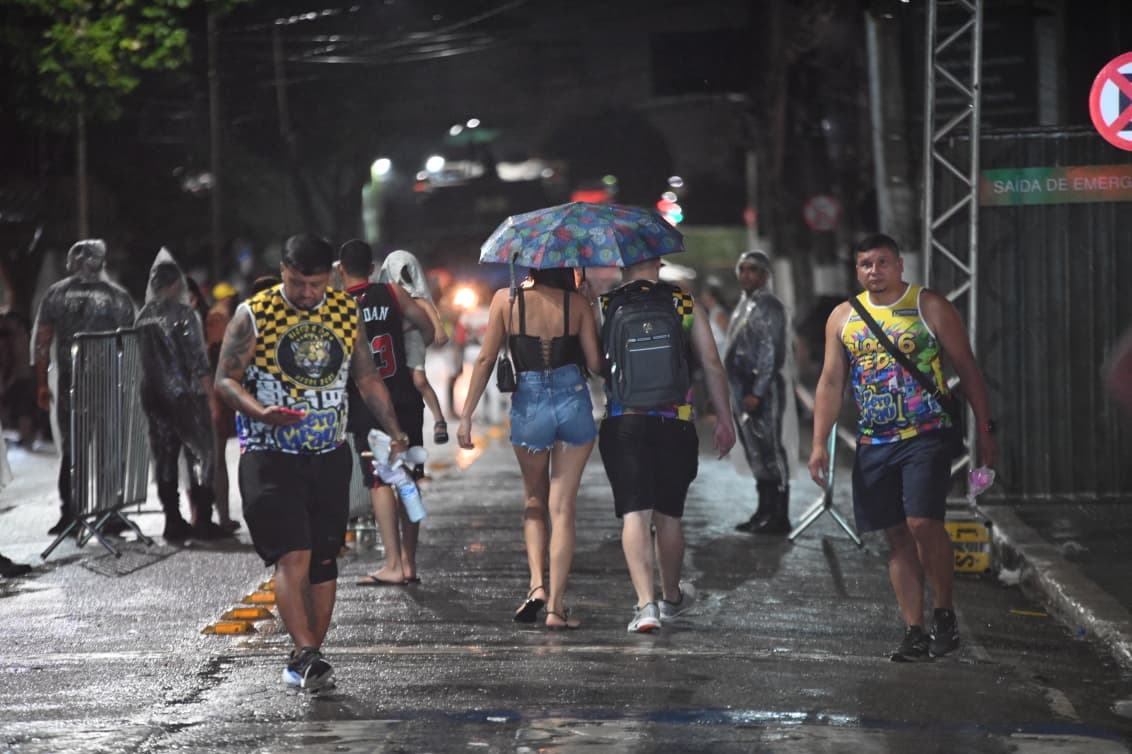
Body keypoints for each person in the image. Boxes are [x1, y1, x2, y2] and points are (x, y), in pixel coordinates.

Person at [214, 234, 411, 690]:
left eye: (315, 284)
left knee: (324, 560)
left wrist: (395, 430)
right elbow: (225, 378)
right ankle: (305, 650)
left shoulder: (344, 311)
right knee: (293, 554)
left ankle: (308, 658)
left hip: (328, 455)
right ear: (283, 271)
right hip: (270, 455)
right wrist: (259, 411)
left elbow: (366, 377)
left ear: (333, 277)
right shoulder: (255, 313)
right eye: (297, 283)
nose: (306, 293)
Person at [807, 233, 998, 662]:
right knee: (895, 535)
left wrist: (985, 428)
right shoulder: (843, 317)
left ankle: (943, 611)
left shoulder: (928, 305)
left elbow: (966, 367)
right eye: (865, 265)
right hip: (874, 441)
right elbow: (831, 382)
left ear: (899, 265)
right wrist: (819, 442)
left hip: (925, 434)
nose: (874, 271)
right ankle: (914, 630)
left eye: (882, 262)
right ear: (857, 270)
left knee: (921, 523)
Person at [457, 267, 603, 630]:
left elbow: (486, 359)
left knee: (534, 501)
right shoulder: (578, 303)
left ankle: (537, 585)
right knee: (563, 507)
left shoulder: (506, 301)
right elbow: (598, 365)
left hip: (530, 404)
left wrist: (466, 416)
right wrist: (592, 304)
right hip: (572, 401)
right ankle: (556, 608)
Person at [594, 257, 735, 633]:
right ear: (657, 262)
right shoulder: (685, 303)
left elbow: (595, 364)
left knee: (634, 514)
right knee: (669, 515)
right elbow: (711, 364)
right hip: (676, 421)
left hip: (624, 421)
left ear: (623, 263)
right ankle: (671, 597)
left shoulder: (605, 305)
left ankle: (645, 606)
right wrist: (725, 419)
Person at [336, 240, 435, 587]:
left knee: (379, 481)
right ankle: (409, 562)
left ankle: (391, 563)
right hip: (405, 397)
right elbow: (429, 329)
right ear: (373, 265)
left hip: (368, 403)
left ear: (340, 269)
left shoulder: (338, 304)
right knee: (407, 477)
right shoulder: (393, 293)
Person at [32, 239, 136, 536]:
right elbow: (128, 343)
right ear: (101, 261)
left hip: (71, 383)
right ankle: (108, 514)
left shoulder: (56, 294)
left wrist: (41, 382)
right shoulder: (116, 296)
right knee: (107, 446)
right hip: (107, 384)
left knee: (71, 447)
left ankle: (71, 514)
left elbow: (43, 342)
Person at [135, 251, 226, 542]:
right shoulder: (184, 315)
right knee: (204, 453)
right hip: (185, 396)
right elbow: (198, 359)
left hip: (153, 396)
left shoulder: (142, 316)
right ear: (175, 284)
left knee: (165, 457)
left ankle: (172, 520)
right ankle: (203, 519)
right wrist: (210, 397)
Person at [726, 251, 794, 535]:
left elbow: (769, 351)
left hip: (762, 390)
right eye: (742, 269)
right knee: (756, 451)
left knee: (771, 450)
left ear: (765, 275)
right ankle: (764, 511)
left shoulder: (769, 306)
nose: (746, 275)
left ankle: (780, 516)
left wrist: (758, 390)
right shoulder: (747, 304)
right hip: (744, 389)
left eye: (753, 270)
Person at [379, 250, 451, 445]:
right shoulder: (387, 295)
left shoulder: (412, 295)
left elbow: (426, 306)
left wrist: (439, 328)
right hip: (394, 345)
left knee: (419, 380)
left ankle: (439, 420)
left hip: (412, 338)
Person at [205, 281, 241, 532]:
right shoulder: (220, 316)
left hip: (222, 389)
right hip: (218, 391)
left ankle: (221, 514)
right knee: (216, 457)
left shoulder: (220, 315)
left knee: (217, 457)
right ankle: (219, 515)